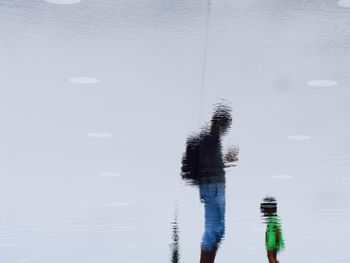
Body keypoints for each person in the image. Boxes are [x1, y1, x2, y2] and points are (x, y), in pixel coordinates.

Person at [181, 103, 238, 263]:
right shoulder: (208, 140)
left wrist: (225, 161)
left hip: (216, 188)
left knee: (218, 231)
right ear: (219, 123)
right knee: (213, 230)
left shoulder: (214, 141)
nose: (226, 129)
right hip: (212, 189)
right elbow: (206, 166)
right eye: (225, 125)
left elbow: (210, 164)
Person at [260, 197, 285, 263]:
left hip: (272, 243)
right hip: (273, 242)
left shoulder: (273, 219)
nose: (263, 213)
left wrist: (277, 241)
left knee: (270, 257)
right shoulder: (273, 218)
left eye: (264, 210)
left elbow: (277, 230)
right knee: (273, 257)